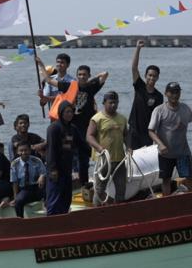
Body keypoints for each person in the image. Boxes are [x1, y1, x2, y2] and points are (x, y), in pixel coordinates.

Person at [39, 61, 109, 200]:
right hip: (70, 129)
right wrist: (41, 64)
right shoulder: (70, 86)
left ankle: (84, 187)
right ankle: (65, 184)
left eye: (84, 75)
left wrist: (92, 79)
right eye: (79, 75)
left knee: (84, 160)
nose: (82, 77)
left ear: (88, 76)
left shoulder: (91, 87)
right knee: (68, 157)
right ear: (76, 76)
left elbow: (105, 74)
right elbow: (48, 80)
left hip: (85, 130)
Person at [148, 82, 192, 196]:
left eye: (177, 92)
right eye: (172, 92)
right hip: (165, 154)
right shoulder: (159, 110)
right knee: (166, 180)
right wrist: (160, 144)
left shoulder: (184, 108)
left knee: (189, 178)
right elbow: (150, 131)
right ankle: (167, 202)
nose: (175, 95)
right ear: (166, 94)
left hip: (182, 153)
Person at [86, 90, 130, 205]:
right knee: (100, 190)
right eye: (110, 102)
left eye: (115, 102)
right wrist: (99, 148)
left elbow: (126, 135)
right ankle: (96, 212)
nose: (113, 105)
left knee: (121, 189)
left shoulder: (122, 119)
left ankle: (117, 212)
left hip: (119, 159)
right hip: (103, 160)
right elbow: (89, 136)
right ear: (104, 103)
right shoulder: (97, 119)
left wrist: (129, 147)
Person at [45, 100, 84, 215]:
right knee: (54, 198)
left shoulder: (73, 128)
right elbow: (51, 150)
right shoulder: (53, 128)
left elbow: (82, 144)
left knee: (66, 198)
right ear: (61, 113)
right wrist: (52, 169)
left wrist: (96, 152)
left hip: (67, 169)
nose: (69, 114)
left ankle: (63, 218)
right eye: (67, 112)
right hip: (56, 170)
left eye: (71, 112)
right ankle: (51, 221)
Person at [129, 39, 163, 150]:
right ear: (145, 76)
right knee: (132, 160)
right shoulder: (139, 86)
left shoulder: (159, 96)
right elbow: (134, 68)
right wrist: (138, 48)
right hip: (133, 130)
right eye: (150, 75)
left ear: (157, 78)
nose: (152, 78)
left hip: (147, 133)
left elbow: (158, 118)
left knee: (144, 163)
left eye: (154, 76)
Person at [10, 141, 46, 218]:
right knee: (19, 201)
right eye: (21, 150)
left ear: (30, 150)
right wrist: (15, 197)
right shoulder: (14, 164)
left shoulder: (37, 160)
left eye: (26, 150)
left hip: (37, 187)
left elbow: (44, 172)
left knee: (49, 192)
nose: (24, 152)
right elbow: (15, 182)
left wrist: (42, 176)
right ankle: (20, 220)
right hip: (25, 189)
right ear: (17, 152)